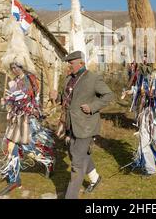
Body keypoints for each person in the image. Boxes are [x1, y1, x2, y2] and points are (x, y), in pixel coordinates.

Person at [50, 51, 114, 199]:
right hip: (70, 124)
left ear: (81, 63)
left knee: (77, 163)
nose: (69, 66)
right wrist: (57, 97)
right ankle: (95, 179)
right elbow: (66, 99)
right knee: (78, 154)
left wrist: (92, 107)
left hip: (86, 126)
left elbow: (109, 95)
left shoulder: (93, 78)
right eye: (68, 63)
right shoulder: (68, 79)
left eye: (71, 64)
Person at [0, 62, 55, 196]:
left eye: (16, 67)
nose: (14, 70)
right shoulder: (13, 82)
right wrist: (6, 101)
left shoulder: (30, 78)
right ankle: (14, 180)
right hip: (16, 118)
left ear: (22, 66)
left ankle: (50, 159)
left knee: (30, 147)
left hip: (28, 119)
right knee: (11, 146)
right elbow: (14, 100)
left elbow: (32, 95)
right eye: (12, 68)